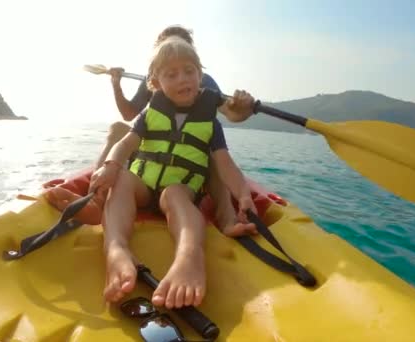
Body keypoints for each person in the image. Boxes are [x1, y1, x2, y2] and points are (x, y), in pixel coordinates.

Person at [89, 36, 258, 309]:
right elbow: (125, 144)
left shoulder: (210, 123)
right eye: (172, 74)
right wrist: (110, 167)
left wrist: (244, 195)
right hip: (143, 187)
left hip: (178, 190)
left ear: (200, 76)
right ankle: (116, 248)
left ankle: (189, 258)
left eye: (189, 71)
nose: (183, 79)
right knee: (121, 180)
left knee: (176, 193)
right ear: (156, 83)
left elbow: (226, 165)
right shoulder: (148, 114)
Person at [45, 25, 257, 236]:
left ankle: (227, 218)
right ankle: (97, 198)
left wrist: (243, 108)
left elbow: (232, 114)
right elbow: (128, 115)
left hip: (187, 162)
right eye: (166, 50)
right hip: (151, 152)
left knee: (213, 153)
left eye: (179, 47)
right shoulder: (152, 78)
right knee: (118, 129)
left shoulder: (202, 79)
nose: (181, 77)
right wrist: (116, 85)